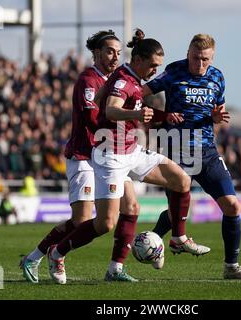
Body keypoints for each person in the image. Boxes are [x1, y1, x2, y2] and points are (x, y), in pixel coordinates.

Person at [45, 29, 210, 283]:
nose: (155, 71)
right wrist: (134, 115)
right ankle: (57, 253)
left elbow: (102, 99)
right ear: (140, 61)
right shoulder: (124, 81)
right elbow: (111, 110)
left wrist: (160, 116)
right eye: (153, 65)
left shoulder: (127, 77)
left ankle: (172, 240)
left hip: (131, 150)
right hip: (110, 156)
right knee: (104, 223)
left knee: (181, 181)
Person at [20, 30, 141, 284]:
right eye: (110, 51)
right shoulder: (88, 80)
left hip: (110, 156)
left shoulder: (116, 79)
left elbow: (137, 76)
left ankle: (115, 269)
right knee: (82, 220)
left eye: (119, 53)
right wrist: (126, 121)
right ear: (96, 53)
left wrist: (139, 47)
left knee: (131, 207)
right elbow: (94, 119)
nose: (115, 57)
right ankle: (37, 256)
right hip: (85, 155)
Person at [144, 34, 241, 281]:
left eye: (205, 59)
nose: (199, 64)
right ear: (188, 53)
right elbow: (140, 92)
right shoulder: (173, 71)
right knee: (177, 216)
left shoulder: (217, 77)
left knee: (232, 206)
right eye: (195, 58)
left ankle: (231, 267)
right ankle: (153, 245)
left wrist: (218, 117)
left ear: (212, 57)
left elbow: (219, 110)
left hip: (206, 151)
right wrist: (162, 115)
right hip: (175, 150)